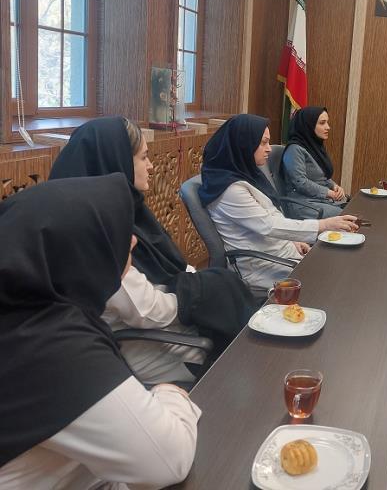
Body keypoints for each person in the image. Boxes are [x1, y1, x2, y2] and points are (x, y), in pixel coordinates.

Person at [0, 174, 200, 489]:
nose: (133, 241)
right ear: (83, 248)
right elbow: (168, 460)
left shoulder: (26, 314)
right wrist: (170, 393)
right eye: (116, 231)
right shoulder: (48, 345)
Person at [49, 116, 255, 385]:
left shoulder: (130, 211)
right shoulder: (94, 234)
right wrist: (200, 295)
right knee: (246, 365)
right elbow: (146, 311)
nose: (151, 166)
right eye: (143, 157)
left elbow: (173, 266)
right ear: (118, 162)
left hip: (174, 327)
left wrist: (197, 283)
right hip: (154, 346)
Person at [200, 114, 358, 289]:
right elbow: (268, 225)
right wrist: (324, 225)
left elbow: (270, 211)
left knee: (340, 269)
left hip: (279, 252)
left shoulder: (246, 173)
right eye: (263, 143)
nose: (269, 149)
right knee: (334, 280)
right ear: (244, 144)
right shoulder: (230, 189)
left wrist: (292, 241)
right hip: (263, 264)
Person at [280, 106, 347, 218]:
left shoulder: (313, 146)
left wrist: (334, 186)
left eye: (327, 122)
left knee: (356, 208)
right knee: (350, 217)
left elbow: (320, 175)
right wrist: (328, 192)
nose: (328, 127)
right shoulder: (294, 149)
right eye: (322, 123)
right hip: (303, 204)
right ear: (308, 126)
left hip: (320, 200)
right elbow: (300, 182)